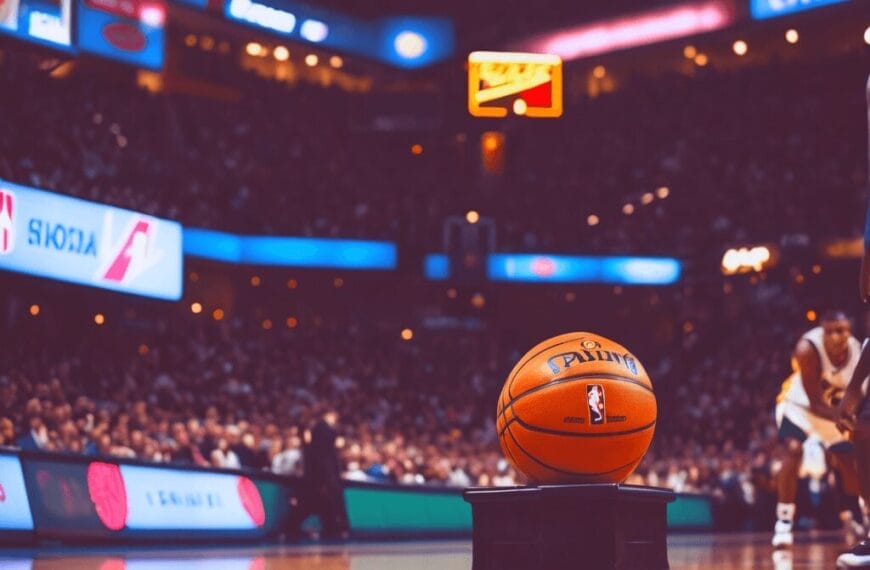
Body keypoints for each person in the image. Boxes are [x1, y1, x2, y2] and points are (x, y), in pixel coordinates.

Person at [773, 311, 864, 548]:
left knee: (851, 462)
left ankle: (858, 514)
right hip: (801, 406)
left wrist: (855, 421)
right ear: (823, 331)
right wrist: (848, 419)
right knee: (793, 451)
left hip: (834, 411)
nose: (837, 336)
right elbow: (815, 402)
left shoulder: (859, 352)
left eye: (842, 330)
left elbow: (859, 396)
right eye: (832, 331)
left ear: (850, 330)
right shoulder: (807, 348)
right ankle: (783, 524)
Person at [285, 410, 349, 540]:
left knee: (316, 511)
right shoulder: (324, 442)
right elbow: (326, 468)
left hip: (317, 484)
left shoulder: (314, 446)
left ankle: (289, 530)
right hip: (322, 485)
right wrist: (330, 483)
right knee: (316, 510)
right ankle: (337, 531)